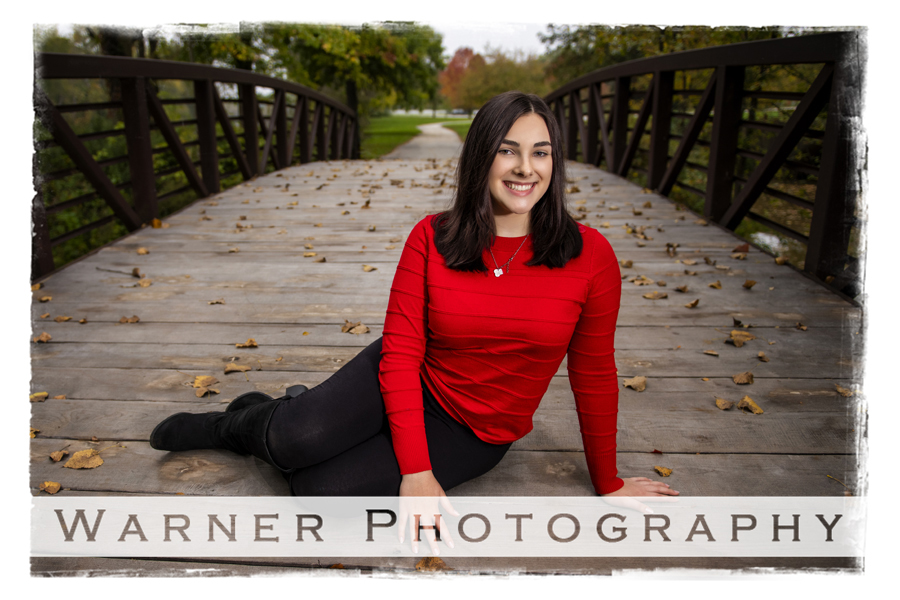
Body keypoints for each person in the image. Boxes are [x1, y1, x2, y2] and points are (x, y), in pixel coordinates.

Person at [149, 90, 678, 551]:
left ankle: (299, 411)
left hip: (475, 430)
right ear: (481, 158)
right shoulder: (433, 236)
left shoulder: (591, 256)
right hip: (405, 378)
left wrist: (608, 482)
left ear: (554, 163)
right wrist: (417, 474)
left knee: (317, 494)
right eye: (507, 151)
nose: (525, 168)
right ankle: (238, 421)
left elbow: (594, 373)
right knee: (295, 441)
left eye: (540, 153)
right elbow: (401, 354)